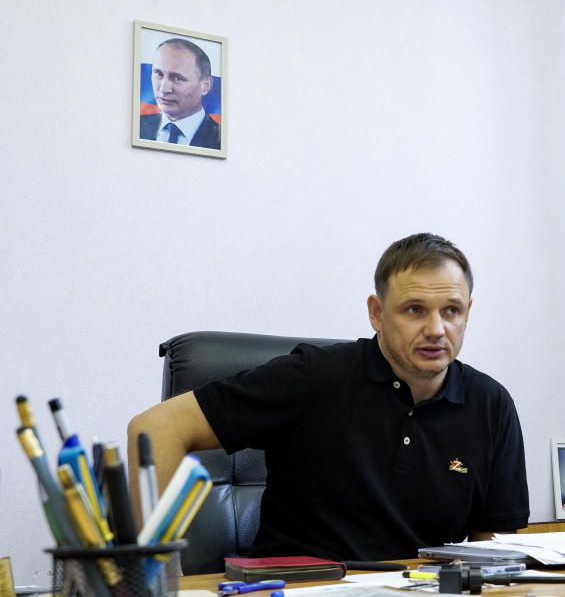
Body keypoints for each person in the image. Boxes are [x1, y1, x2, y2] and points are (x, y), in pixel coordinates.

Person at [127, 233, 529, 561]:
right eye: (414, 310)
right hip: (299, 588)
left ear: (468, 313)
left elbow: (492, 544)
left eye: (452, 310)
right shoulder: (313, 376)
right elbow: (155, 428)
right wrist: (154, 569)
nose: (437, 329)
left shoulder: (491, 404)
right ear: (376, 312)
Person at [139, 38, 221, 149]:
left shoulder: (221, 140)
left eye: (177, 78)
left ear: (205, 85)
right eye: (158, 73)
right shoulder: (138, 127)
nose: (164, 89)